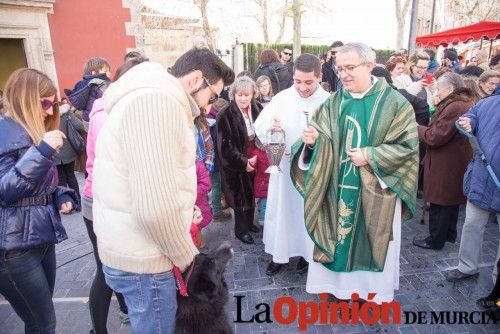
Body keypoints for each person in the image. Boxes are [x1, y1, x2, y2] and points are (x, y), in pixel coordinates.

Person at [92, 47, 235, 333]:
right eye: (213, 95)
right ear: (196, 79)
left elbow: (151, 184)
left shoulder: (151, 97)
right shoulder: (158, 103)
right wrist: (188, 260)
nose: (209, 107)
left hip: (135, 249)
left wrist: (182, 211)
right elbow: (154, 208)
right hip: (145, 260)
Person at [290, 43, 419, 304]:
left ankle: (368, 294)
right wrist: (313, 142)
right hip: (335, 190)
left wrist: (371, 155)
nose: (344, 75)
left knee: (369, 239)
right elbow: (317, 137)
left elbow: (408, 148)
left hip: (375, 192)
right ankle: (336, 289)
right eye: (340, 69)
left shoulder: (395, 104)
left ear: (370, 66)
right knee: (336, 240)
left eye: (350, 68)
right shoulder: (333, 102)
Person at [0, 68, 76, 333]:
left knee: (41, 321)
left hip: (39, 240)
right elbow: (6, 190)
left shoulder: (33, 133)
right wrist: (41, 151)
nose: (49, 110)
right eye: (45, 103)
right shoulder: (3, 133)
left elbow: (35, 187)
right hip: (13, 249)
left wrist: (59, 194)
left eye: (53, 104)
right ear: (26, 99)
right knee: (42, 323)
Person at [83, 57, 148, 334]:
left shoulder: (116, 109)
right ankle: (98, 330)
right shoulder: (106, 114)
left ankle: (125, 311)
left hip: (110, 199)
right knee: (106, 269)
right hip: (100, 200)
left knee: (116, 265)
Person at [254, 53, 330, 276]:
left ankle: (308, 255)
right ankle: (279, 255)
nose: (303, 88)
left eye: (309, 82)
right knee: (283, 212)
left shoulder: (329, 102)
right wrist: (273, 130)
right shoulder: (282, 98)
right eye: (298, 81)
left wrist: (319, 140)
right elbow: (261, 127)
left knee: (307, 212)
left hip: (313, 172)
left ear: (319, 76)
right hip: (285, 169)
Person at [413, 72, 474, 250]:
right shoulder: (463, 103)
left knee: (440, 201)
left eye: (439, 88)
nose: (437, 92)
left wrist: (418, 128)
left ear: (450, 89)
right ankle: (448, 235)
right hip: (454, 159)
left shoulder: (455, 106)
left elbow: (435, 137)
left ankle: (435, 240)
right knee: (450, 201)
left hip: (446, 161)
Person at [444, 95, 500, 284]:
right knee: (472, 225)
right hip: (481, 179)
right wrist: (466, 122)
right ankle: (467, 267)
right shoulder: (488, 102)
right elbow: (470, 118)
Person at [217, 76, 262, 244]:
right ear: (234, 95)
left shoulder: (257, 108)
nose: (243, 98)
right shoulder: (225, 114)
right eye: (239, 95)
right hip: (235, 162)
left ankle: (250, 224)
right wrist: (244, 162)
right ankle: (240, 230)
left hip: (255, 154)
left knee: (251, 192)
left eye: (246, 95)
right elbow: (225, 147)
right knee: (239, 195)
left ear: (252, 94)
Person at [55, 98, 86, 213]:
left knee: (61, 179)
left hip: (54, 151)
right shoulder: (66, 112)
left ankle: (67, 204)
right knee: (71, 176)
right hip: (68, 149)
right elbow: (79, 125)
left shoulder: (43, 115)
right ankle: (77, 203)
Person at [206, 98, 232, 222]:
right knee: (216, 185)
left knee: (212, 185)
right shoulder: (216, 124)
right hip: (215, 161)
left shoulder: (205, 119)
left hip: (207, 160)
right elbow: (219, 145)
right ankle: (217, 212)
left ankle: (214, 206)